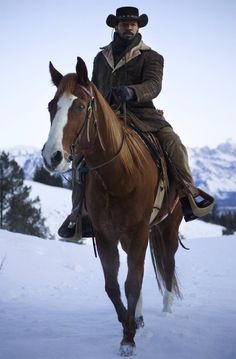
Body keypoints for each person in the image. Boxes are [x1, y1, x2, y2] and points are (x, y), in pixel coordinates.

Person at [58, 6, 214, 239]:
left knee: (174, 143)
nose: (128, 26)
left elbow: (154, 85)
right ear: (116, 26)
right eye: (123, 23)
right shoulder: (101, 58)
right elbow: (95, 90)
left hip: (143, 114)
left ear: (138, 26)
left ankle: (188, 192)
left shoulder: (152, 57)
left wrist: (132, 92)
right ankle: (79, 212)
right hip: (107, 116)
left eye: (132, 23)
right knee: (81, 154)